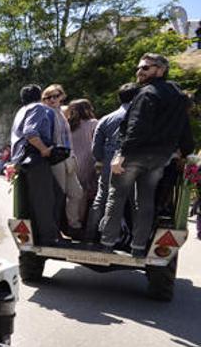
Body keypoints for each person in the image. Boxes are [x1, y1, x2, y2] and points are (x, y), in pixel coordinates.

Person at [98, 53, 195, 257]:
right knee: (145, 200)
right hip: (159, 158)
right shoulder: (179, 96)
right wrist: (185, 152)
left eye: (145, 68)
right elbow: (184, 128)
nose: (139, 71)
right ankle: (139, 248)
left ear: (160, 70)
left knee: (116, 197)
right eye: (139, 68)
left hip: (134, 155)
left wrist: (121, 155)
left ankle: (107, 244)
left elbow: (136, 127)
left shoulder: (146, 93)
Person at [84, 83, 140, 242]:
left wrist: (103, 160)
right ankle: (137, 241)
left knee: (101, 199)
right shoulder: (144, 119)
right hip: (136, 167)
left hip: (110, 165)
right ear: (137, 98)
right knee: (135, 203)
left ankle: (90, 236)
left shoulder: (106, 119)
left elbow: (95, 149)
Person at [10, 85, 63, 246]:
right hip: (35, 159)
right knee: (45, 200)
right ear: (40, 96)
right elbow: (30, 132)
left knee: (52, 195)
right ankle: (48, 238)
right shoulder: (39, 108)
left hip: (21, 160)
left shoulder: (21, 111)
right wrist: (44, 149)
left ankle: (41, 234)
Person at [42, 84, 85, 236]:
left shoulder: (62, 111)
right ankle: (56, 228)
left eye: (56, 95)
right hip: (56, 158)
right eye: (48, 97)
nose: (52, 99)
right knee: (58, 195)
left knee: (77, 193)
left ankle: (72, 225)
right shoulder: (45, 113)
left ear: (61, 96)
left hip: (68, 157)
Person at [66, 99, 98, 217]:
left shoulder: (68, 124)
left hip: (70, 160)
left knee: (71, 194)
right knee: (83, 193)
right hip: (87, 161)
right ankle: (80, 221)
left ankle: (70, 221)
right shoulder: (93, 123)